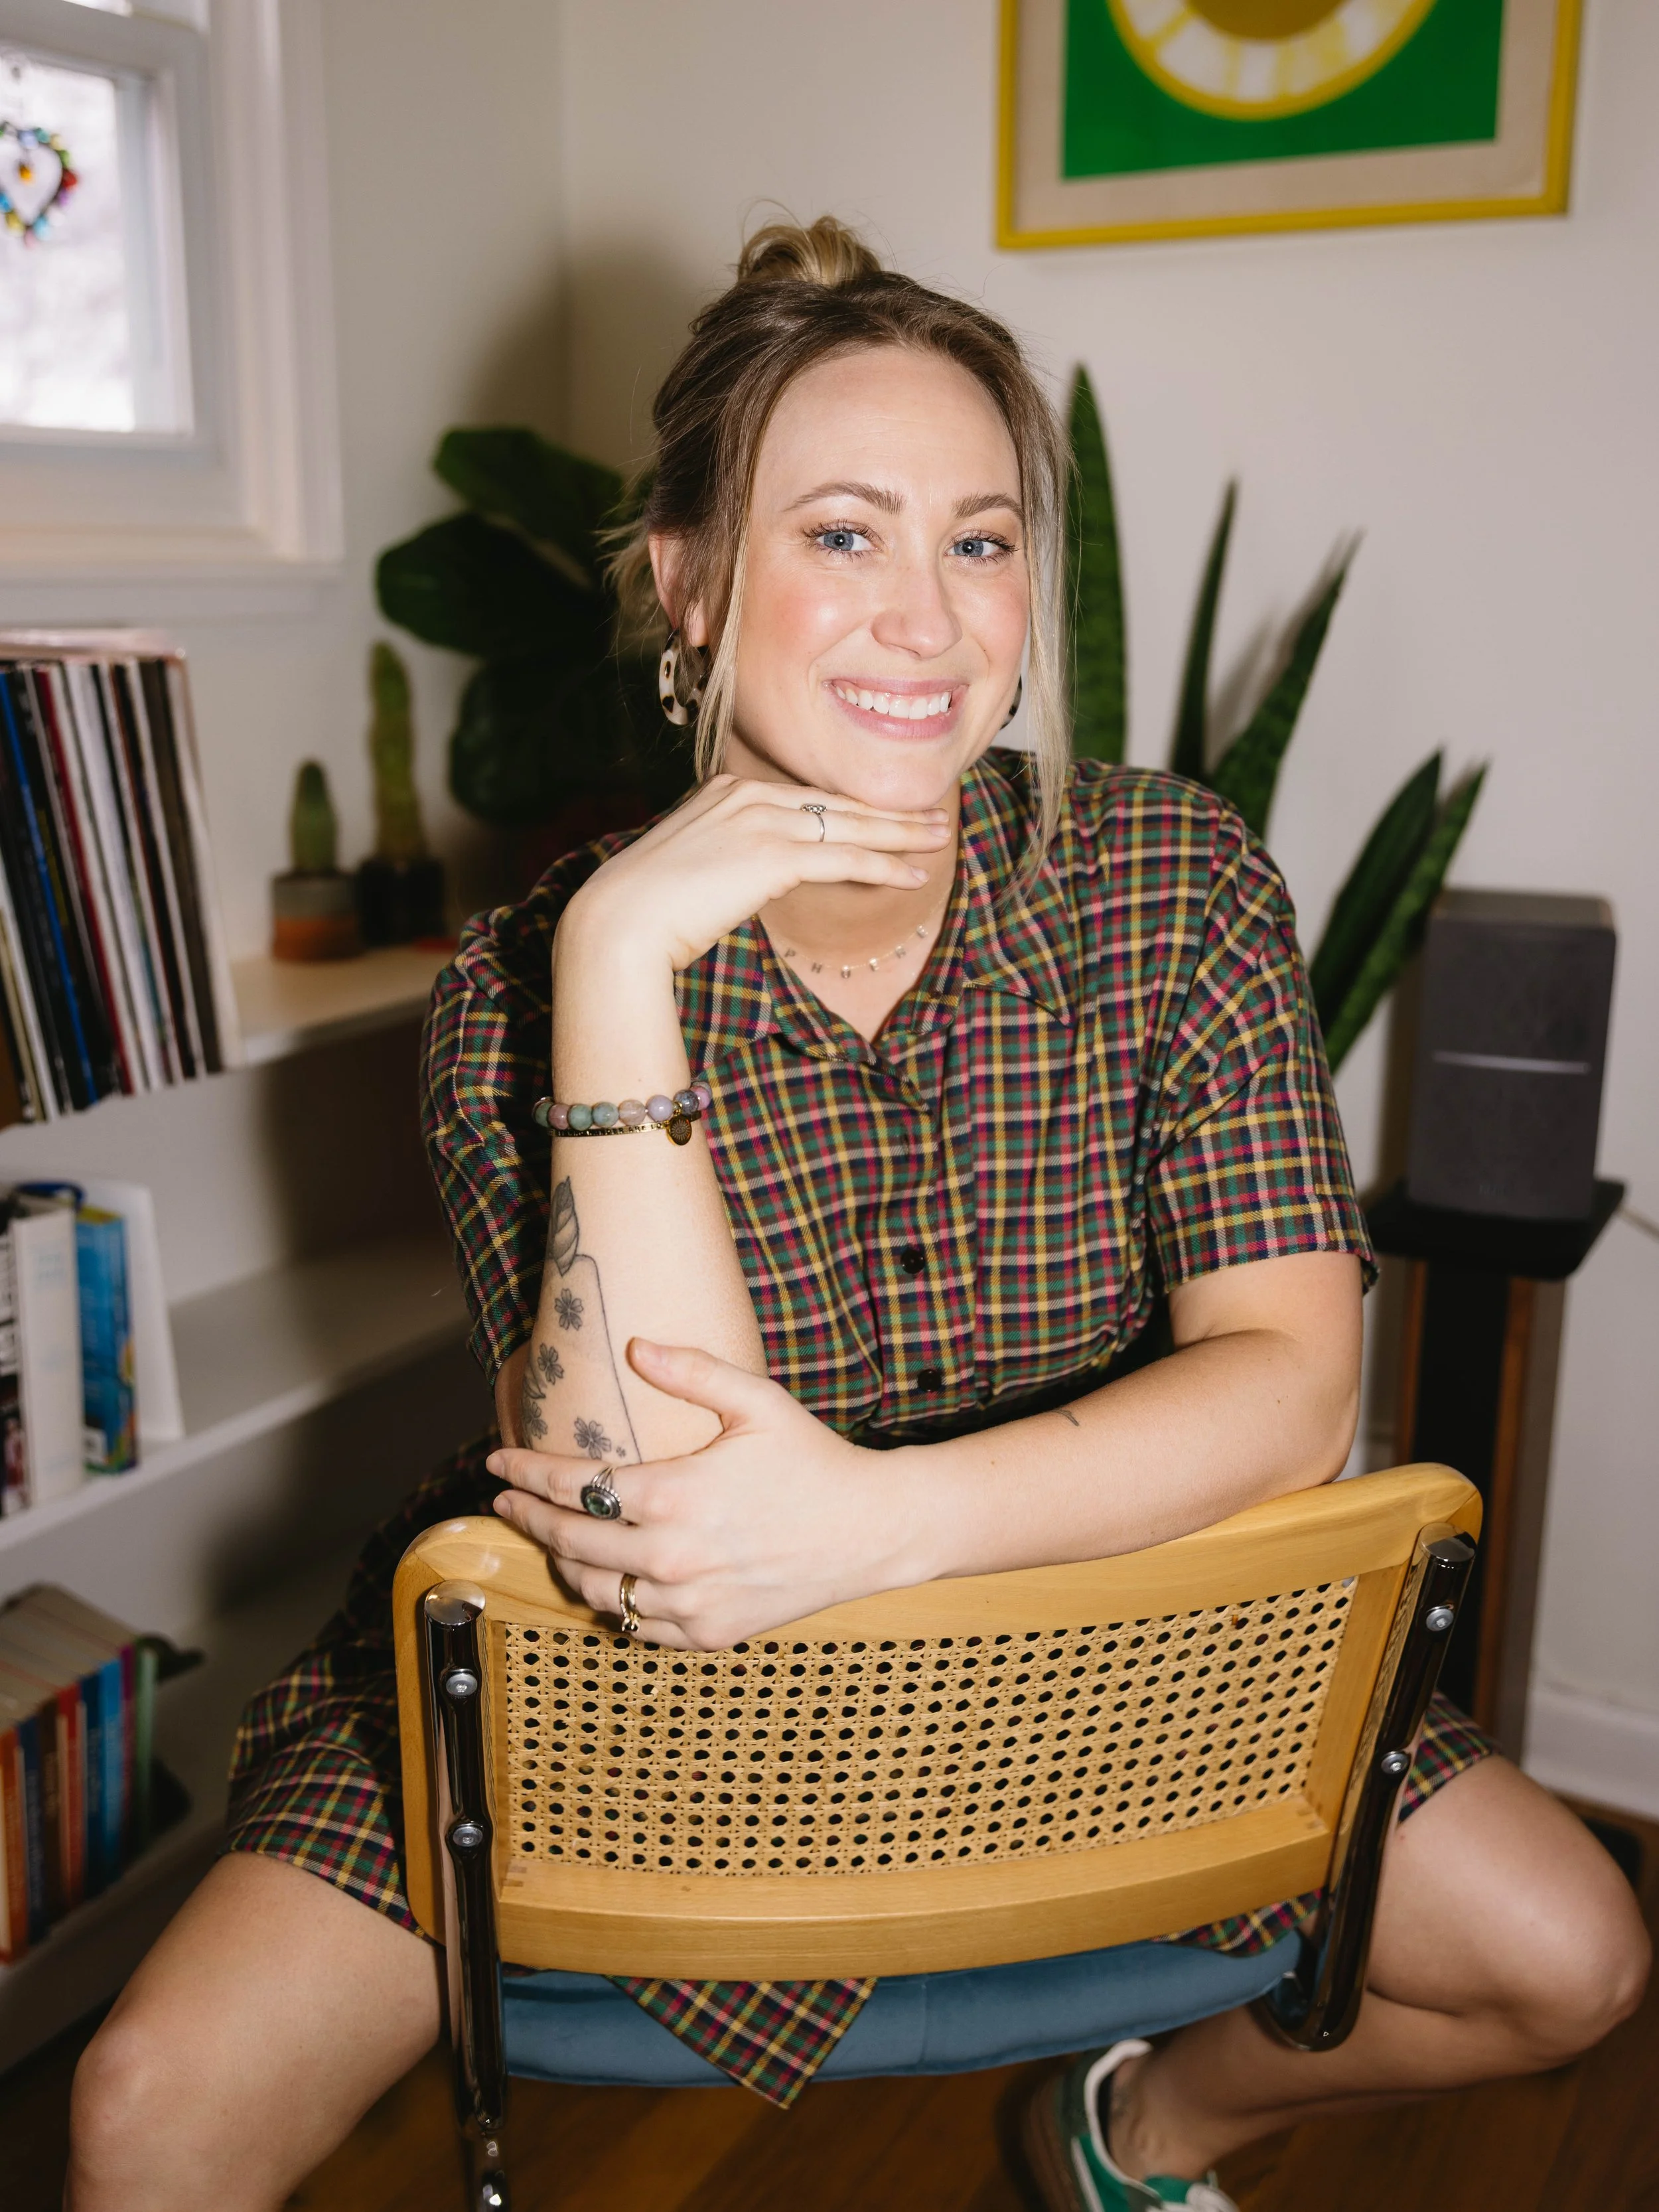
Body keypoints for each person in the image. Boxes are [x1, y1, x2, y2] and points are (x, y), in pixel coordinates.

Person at [68, 218, 1647, 2212]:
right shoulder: (528, 977)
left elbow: (1286, 1392)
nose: (927, 618)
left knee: (1569, 1958)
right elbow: (647, 1531)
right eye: (841, 534)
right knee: (149, 2115)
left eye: (979, 542)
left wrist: (884, 1521)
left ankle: (1133, 2128)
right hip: (639, 1696)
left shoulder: (1168, 880)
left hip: (1102, 1616)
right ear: (688, 580)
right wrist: (624, 956)